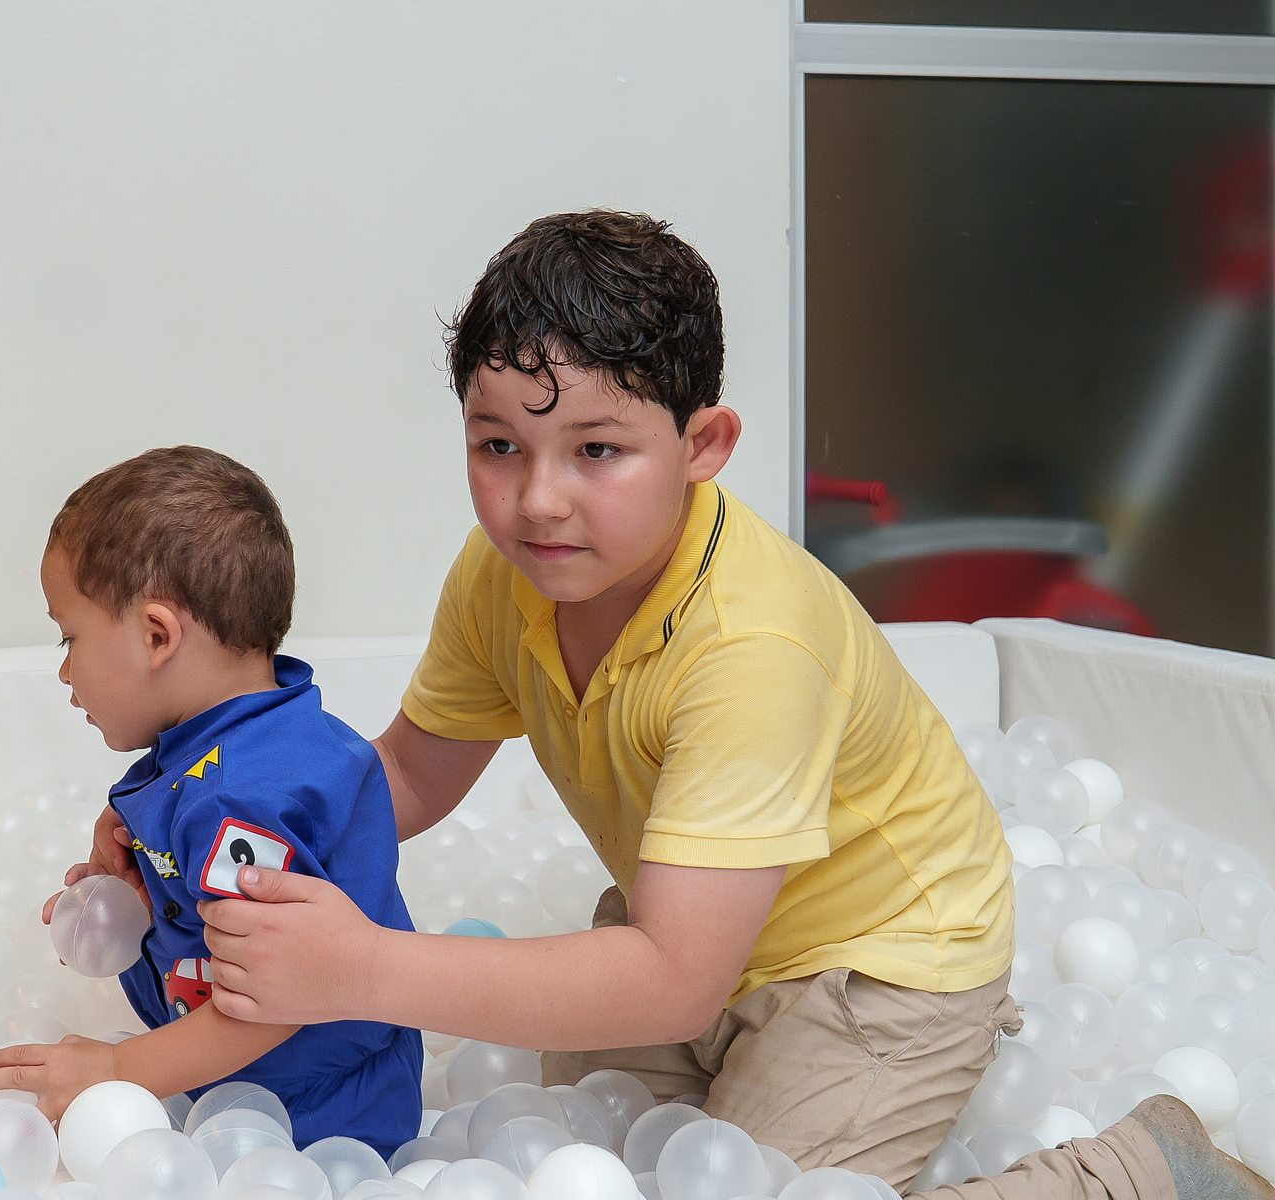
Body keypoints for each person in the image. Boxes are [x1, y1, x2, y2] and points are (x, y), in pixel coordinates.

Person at [87, 213, 1269, 1200]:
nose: (538, 501)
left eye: (597, 450)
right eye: (499, 445)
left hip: (875, 965)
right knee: (574, 1163)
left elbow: (670, 979)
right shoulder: (505, 575)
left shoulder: (752, 644)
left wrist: (363, 967)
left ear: (704, 445)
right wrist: (211, 832)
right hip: (690, 917)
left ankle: (1135, 1171)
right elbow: (400, 777)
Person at [0, 445, 421, 1158]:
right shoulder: (265, 730)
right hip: (263, 1082)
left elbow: (274, 1000)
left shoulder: (236, 801)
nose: (64, 671)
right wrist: (145, 881)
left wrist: (117, 1071)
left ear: (157, 636)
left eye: (70, 637)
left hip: (307, 1116)